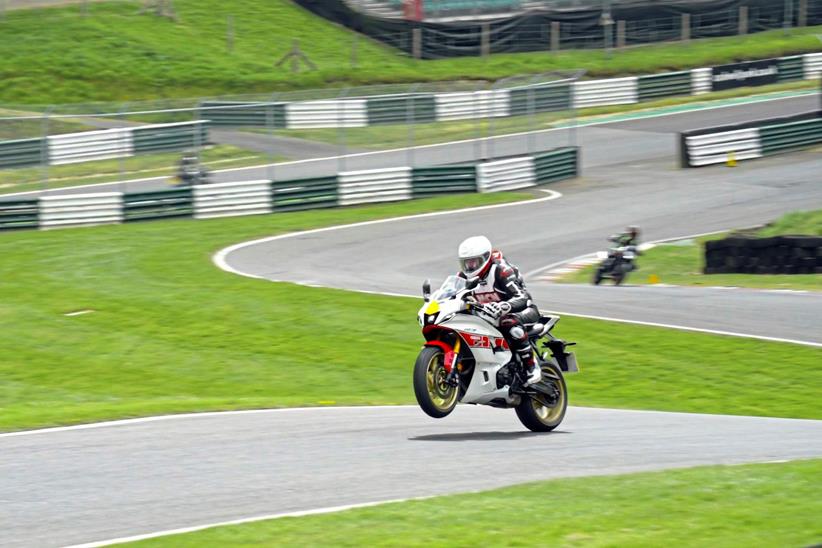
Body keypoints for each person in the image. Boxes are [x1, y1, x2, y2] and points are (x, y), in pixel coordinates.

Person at [457, 236, 541, 386]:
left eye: (473, 262)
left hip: (524, 310)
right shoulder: (463, 277)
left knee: (509, 322)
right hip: (489, 315)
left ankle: (531, 366)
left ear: (485, 258)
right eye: (466, 263)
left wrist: (505, 306)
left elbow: (523, 297)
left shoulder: (501, 270)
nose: (469, 266)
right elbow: (452, 294)